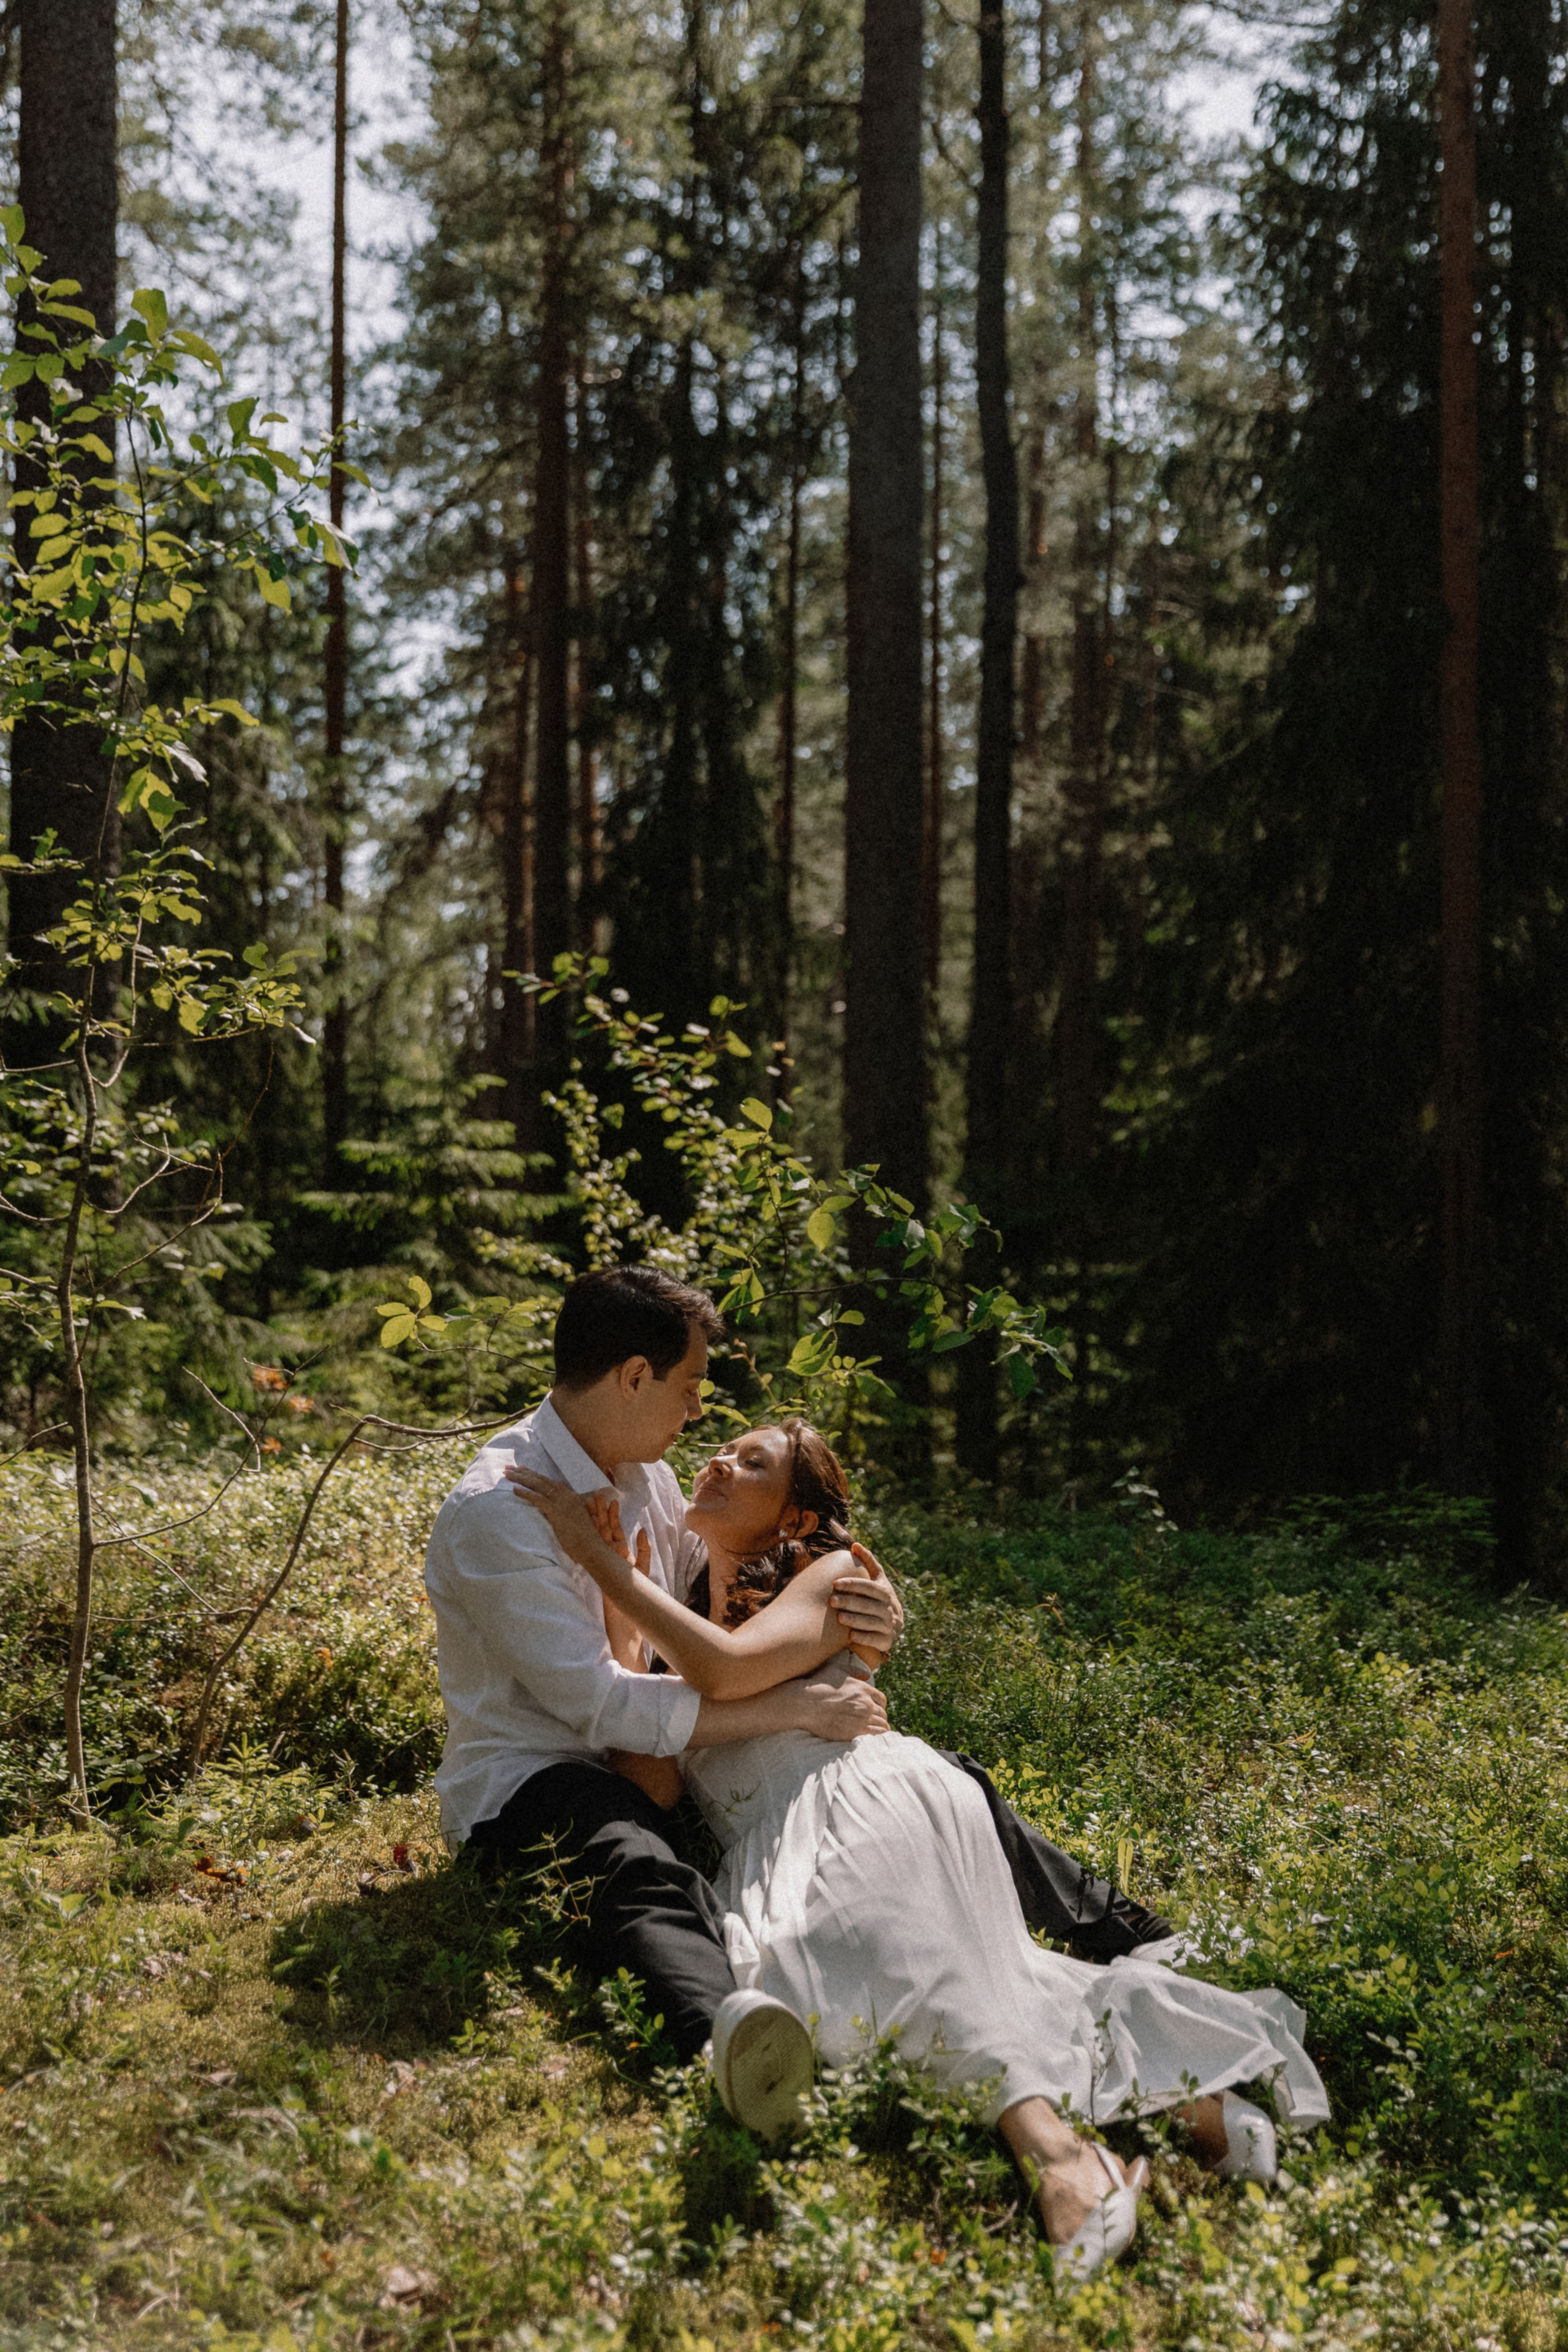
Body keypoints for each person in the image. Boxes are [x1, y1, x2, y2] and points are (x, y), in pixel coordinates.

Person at [508, 1412, 1331, 2280]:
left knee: (879, 1960)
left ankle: (1060, 2160)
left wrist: (598, 1558)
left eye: (751, 1462)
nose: (718, 1459)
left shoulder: (834, 1576)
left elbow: (719, 1674)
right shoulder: (681, 1607)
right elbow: (653, 1778)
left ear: (793, 1518)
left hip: (865, 1796)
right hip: (768, 1838)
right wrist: (621, 1602)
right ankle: (1203, 2104)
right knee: (823, 1990)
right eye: (725, 1447)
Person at [423, 1267, 1170, 2188]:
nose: (698, 1414)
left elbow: (743, 1567)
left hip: (666, 1759)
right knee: (634, 1857)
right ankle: (729, 2043)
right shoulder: (500, 1512)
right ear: (631, 1377)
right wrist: (794, 1705)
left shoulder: (650, 1481)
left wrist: (864, 1595)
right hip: (535, 1773)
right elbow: (608, 1705)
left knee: (937, 1783)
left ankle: (1130, 1934)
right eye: (692, 1388)